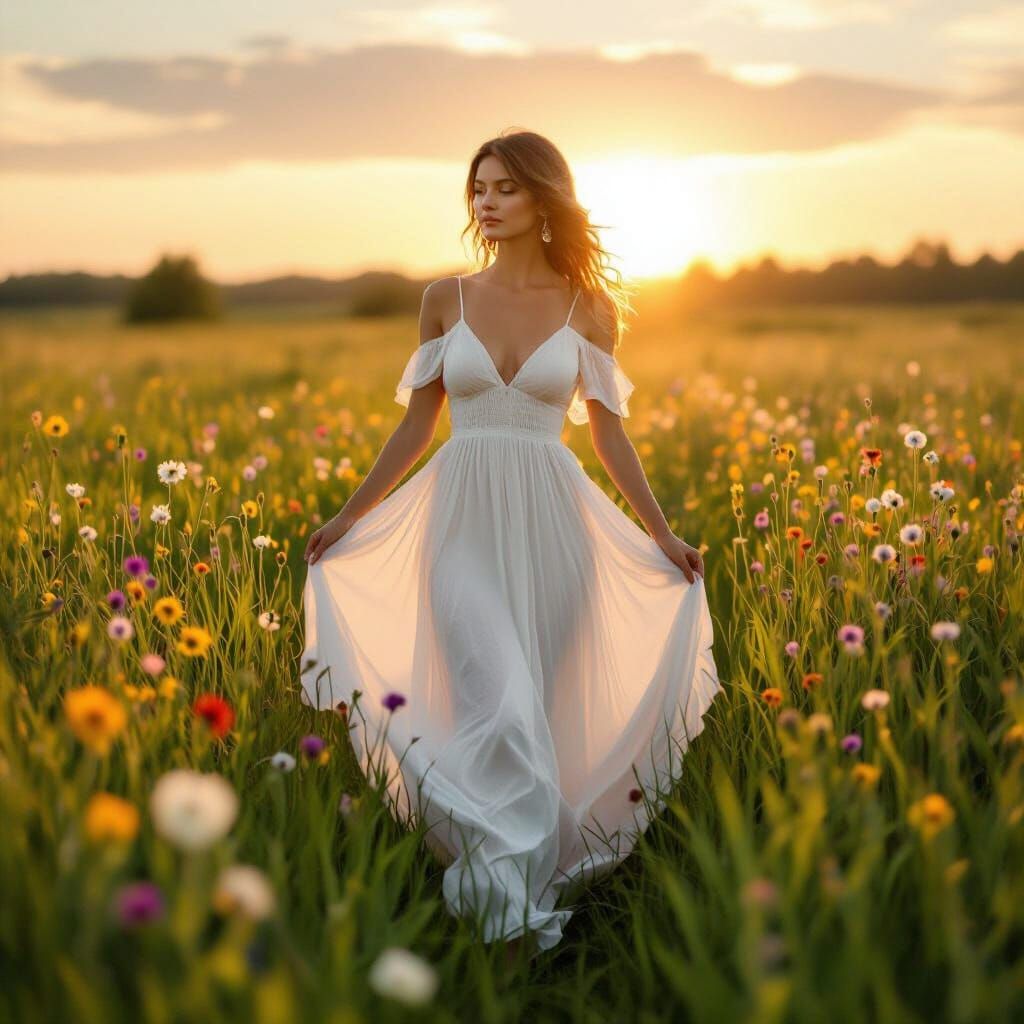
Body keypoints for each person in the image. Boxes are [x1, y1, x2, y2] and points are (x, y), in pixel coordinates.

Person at [301, 129, 722, 959]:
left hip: (556, 531)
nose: (486, 203)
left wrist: (662, 533)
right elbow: (417, 425)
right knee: (496, 704)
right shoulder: (443, 298)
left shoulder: (589, 310)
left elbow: (608, 439)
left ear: (543, 200)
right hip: (458, 526)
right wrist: (348, 517)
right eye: (478, 189)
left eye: (504, 189)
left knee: (533, 716)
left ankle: (521, 893)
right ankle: (501, 910)